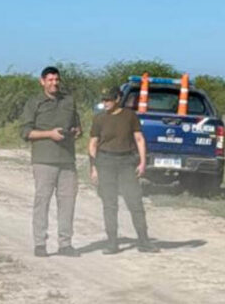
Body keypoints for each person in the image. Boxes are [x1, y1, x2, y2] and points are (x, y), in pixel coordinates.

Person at [19, 66, 81, 257]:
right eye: (50, 80)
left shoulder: (69, 101)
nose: (54, 83)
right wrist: (49, 134)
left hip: (67, 161)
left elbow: (78, 127)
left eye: (56, 80)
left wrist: (74, 132)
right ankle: (40, 243)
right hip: (44, 160)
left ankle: (65, 244)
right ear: (42, 81)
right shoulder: (34, 103)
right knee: (42, 202)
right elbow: (25, 132)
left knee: (68, 203)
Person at [88, 86, 159, 254]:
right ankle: (112, 243)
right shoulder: (99, 119)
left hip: (126, 162)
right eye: (103, 100)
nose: (105, 103)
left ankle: (144, 241)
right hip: (105, 162)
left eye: (108, 100)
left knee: (135, 202)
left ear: (118, 99)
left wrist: (142, 162)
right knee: (109, 204)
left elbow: (139, 139)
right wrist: (93, 168)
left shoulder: (130, 116)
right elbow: (93, 143)